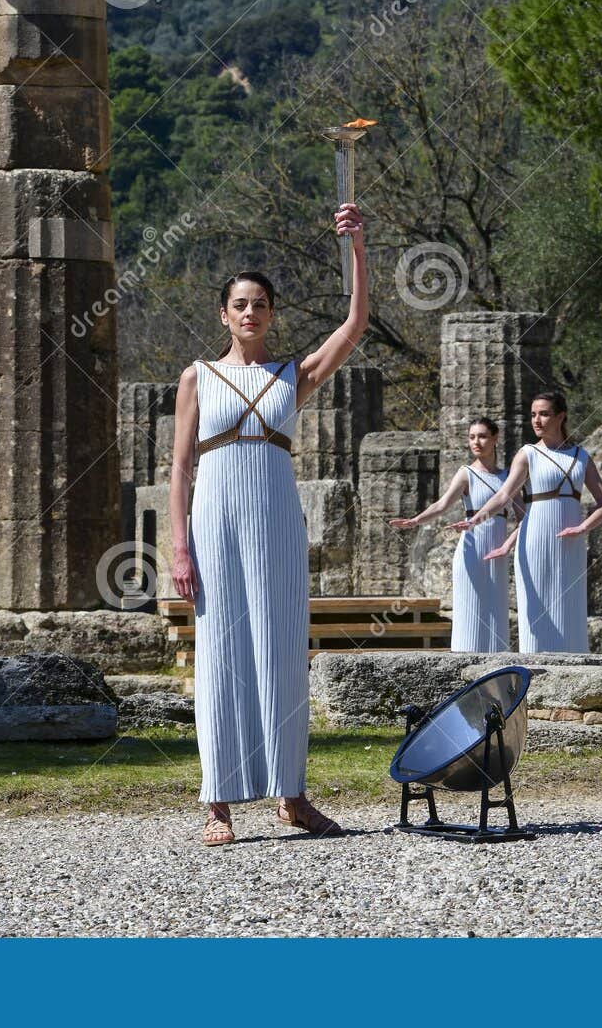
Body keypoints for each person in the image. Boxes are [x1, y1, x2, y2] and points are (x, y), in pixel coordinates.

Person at [169, 203, 368, 848]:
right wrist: (179, 548)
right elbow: (177, 468)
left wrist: (357, 246)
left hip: (276, 520)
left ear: (271, 314)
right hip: (216, 519)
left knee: (282, 647)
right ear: (223, 314)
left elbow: (356, 324)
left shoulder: (292, 375)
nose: (250, 312)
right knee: (222, 651)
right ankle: (219, 803)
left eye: (260, 304)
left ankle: (293, 794)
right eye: (239, 304)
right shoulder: (197, 378)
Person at [452, 393, 602, 652]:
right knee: (536, 614)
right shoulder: (528, 454)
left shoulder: (581, 456)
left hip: (570, 542)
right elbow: (504, 495)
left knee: (570, 609)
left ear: (561, 417)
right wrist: (475, 520)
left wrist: (584, 527)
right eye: (534, 414)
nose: (537, 420)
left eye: (544, 414)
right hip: (534, 538)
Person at [390, 417, 518, 652]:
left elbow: (525, 517)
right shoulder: (466, 473)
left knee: (496, 612)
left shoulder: (508, 477)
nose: (476, 442)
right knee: (470, 612)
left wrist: (507, 546)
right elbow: (442, 505)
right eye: (471, 437)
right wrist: (416, 520)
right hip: (471, 549)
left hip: (496, 553)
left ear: (495, 438)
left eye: (482, 436)